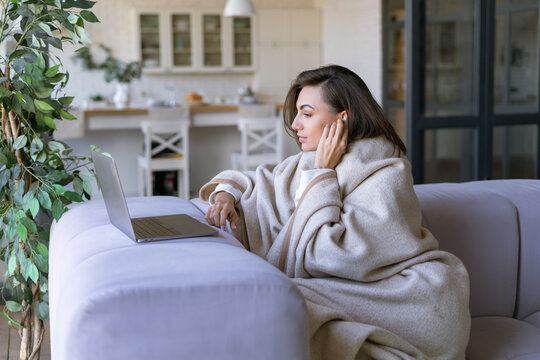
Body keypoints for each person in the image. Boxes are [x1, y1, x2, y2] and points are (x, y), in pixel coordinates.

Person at [199, 65, 470, 359]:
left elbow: (335, 253)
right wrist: (226, 196)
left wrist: (322, 174)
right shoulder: (308, 161)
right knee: (273, 300)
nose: (295, 124)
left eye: (306, 113)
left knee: (274, 300)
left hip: (413, 301)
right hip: (352, 291)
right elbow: (258, 181)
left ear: (342, 119)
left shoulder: (384, 170)